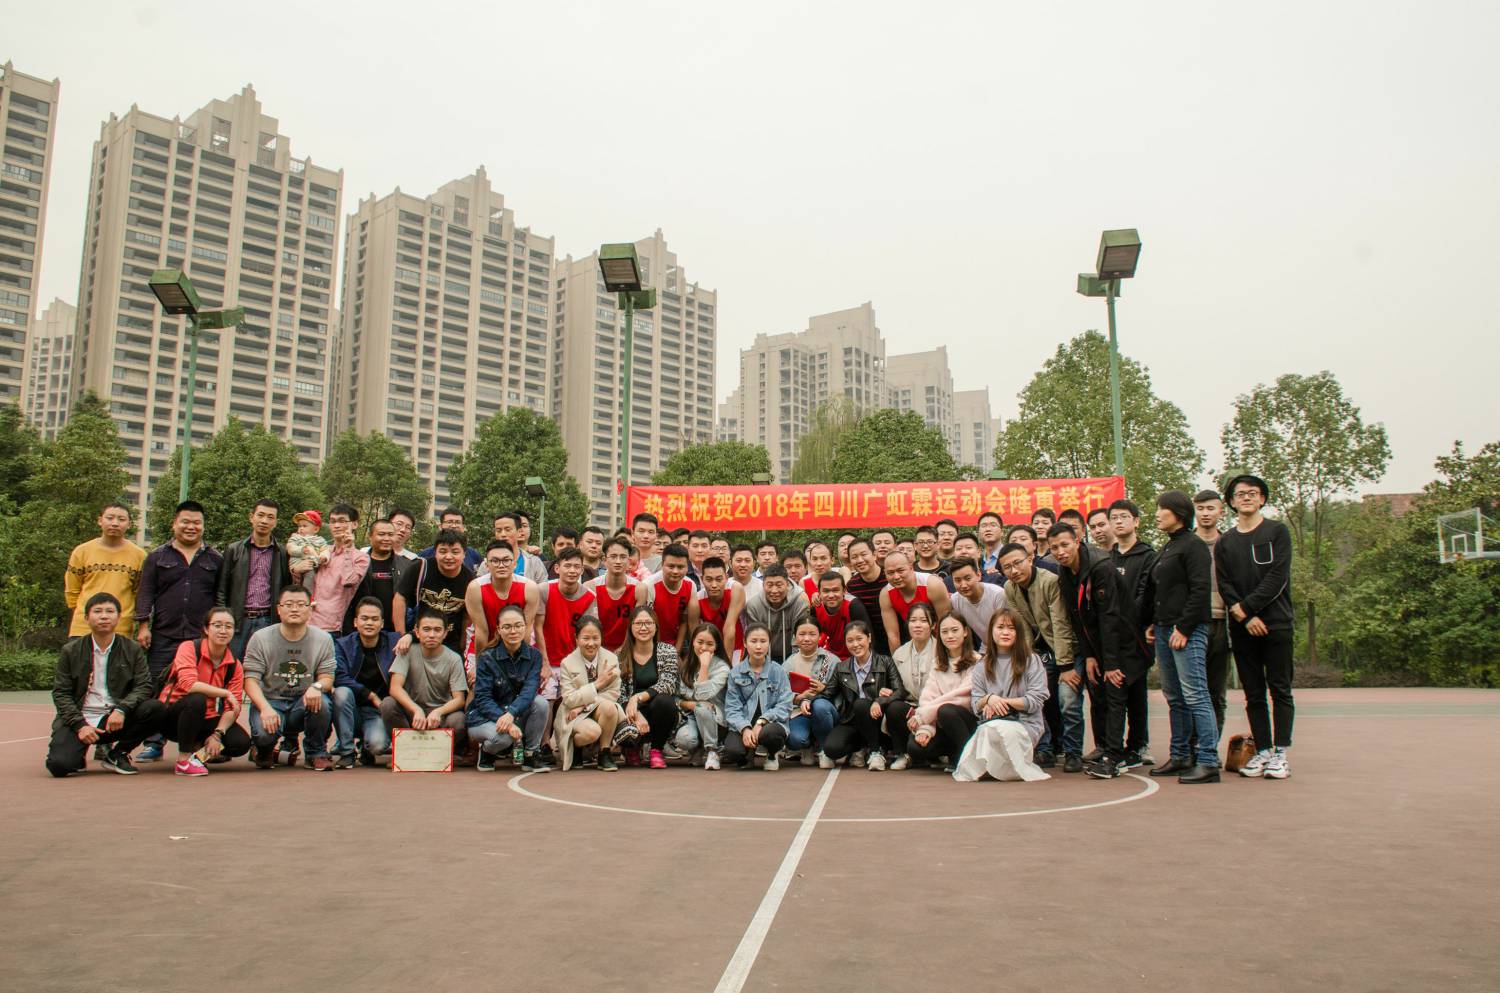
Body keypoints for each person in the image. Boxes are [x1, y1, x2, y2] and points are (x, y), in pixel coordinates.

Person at [1216, 473, 1295, 780]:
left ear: (1262, 498)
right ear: (1232, 502)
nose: (1246, 497)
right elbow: (1225, 583)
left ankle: (1280, 753)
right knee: (1253, 692)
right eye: (1240, 494)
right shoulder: (1225, 541)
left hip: (1276, 623)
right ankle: (1262, 750)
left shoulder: (1277, 532)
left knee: (1280, 689)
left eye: (1253, 492)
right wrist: (1245, 618)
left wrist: (1248, 609)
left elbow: (1277, 577)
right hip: (1242, 627)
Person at [1049, 525, 1142, 780]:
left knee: (1116, 695)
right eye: (1054, 547)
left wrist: (1111, 664)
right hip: (1097, 644)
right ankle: (1105, 748)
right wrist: (1089, 655)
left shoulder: (1101, 567)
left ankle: (1115, 757)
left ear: (1078, 541)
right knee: (1099, 694)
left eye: (1065, 545)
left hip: (1123, 642)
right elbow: (1077, 619)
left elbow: (1110, 617)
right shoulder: (1065, 572)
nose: (1060, 552)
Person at [134, 500, 222, 761]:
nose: (191, 527)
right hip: (164, 635)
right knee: (156, 688)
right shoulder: (157, 557)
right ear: (174, 524)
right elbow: (146, 592)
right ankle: (154, 742)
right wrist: (143, 625)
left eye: (197, 522)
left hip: (198, 639)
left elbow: (220, 598)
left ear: (203, 526)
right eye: (185, 521)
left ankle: (196, 741)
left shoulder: (215, 559)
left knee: (200, 692)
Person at [1142, 490, 1219, 784]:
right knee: (1174, 697)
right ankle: (1180, 755)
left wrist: (1184, 628)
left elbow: (1200, 590)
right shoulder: (1169, 547)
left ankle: (1208, 761)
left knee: (1196, 694)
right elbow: (1160, 591)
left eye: (1161, 509)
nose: (1157, 514)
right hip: (1164, 628)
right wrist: (1153, 622)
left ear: (1178, 512)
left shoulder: (1194, 546)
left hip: (1186, 631)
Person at [46, 592, 163, 777]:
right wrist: (80, 725)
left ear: (118, 617)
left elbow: (144, 686)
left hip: (115, 719)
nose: (104, 616)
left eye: (110, 611)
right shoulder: (71, 650)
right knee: (59, 766)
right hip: (80, 719)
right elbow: (61, 693)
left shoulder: (132, 649)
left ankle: (118, 754)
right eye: (98, 611)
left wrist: (122, 709)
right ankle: (78, 752)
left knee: (155, 708)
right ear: (86, 617)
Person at [999, 542, 1083, 773]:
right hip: (1040, 652)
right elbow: (1022, 627)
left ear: (1030, 558)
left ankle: (1073, 752)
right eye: (1007, 567)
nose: (1014, 570)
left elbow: (1060, 624)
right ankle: (1046, 748)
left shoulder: (1050, 581)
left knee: (1068, 699)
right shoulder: (1009, 587)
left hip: (1069, 650)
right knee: (1037, 698)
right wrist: (1027, 660)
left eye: (1017, 563)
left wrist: (1065, 665)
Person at [243, 585, 337, 771]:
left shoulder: (323, 639)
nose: (295, 609)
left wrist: (316, 687)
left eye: (301, 604)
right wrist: (265, 708)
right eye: (289, 604)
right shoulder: (260, 638)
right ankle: (263, 750)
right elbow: (250, 680)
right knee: (264, 735)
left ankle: (316, 753)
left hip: (302, 702)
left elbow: (327, 678)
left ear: (310, 609)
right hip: (271, 701)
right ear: (279, 609)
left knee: (323, 703)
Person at [953, 609, 1050, 782]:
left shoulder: (1031, 660)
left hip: (1025, 723)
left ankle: (1005, 768)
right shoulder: (982, 665)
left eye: (1011, 628)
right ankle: (995, 768)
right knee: (988, 730)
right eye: (1000, 627)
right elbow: (976, 705)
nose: (1005, 632)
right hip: (992, 722)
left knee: (992, 729)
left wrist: (1001, 702)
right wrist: (988, 699)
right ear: (991, 630)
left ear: (1018, 633)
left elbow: (1035, 700)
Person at [153, 606, 250, 776]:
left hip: (205, 718)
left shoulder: (234, 665)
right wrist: (224, 693)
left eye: (228, 626)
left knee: (240, 742)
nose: (223, 631)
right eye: (217, 625)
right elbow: (188, 684)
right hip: (174, 717)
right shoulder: (189, 648)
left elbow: (233, 707)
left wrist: (217, 735)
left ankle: (198, 757)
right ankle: (183, 761)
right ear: (206, 629)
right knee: (197, 699)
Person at [468, 604, 552, 772]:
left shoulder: (534, 656)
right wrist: (505, 719)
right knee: (503, 738)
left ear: (525, 627)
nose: (513, 631)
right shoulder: (487, 657)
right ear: (498, 630)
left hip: (513, 713)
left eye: (518, 625)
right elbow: (483, 699)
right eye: (507, 627)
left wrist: (511, 713)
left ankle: (531, 754)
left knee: (541, 703)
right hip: (485, 717)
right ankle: (487, 751)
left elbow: (529, 691)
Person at [814, 620, 907, 770]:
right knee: (832, 749)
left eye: (859, 639)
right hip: (852, 721)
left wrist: (880, 701)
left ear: (869, 638)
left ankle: (876, 752)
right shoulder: (841, 667)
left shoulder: (885, 662)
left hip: (877, 721)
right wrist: (807, 700)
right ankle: (860, 747)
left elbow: (900, 691)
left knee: (861, 704)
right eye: (850, 641)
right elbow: (827, 693)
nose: (855, 644)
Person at [1107, 499, 1156, 768]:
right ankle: (1112, 747)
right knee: (1114, 693)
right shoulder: (1107, 558)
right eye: (1114, 517)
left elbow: (1146, 594)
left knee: (1137, 692)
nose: (1118, 521)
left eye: (1124, 516)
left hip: (1138, 636)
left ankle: (1138, 745)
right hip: (1112, 637)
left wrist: (1131, 621)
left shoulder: (1148, 555)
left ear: (1136, 521)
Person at [216, 499, 292, 659]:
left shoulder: (282, 553)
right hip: (238, 620)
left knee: (264, 665)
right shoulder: (234, 549)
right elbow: (222, 589)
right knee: (232, 665)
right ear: (251, 517)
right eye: (260, 515)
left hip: (268, 620)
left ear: (275, 522)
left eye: (270, 517)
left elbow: (286, 588)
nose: (264, 521)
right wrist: (224, 620)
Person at [905, 613, 981, 770]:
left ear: (965, 632)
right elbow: (928, 697)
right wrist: (926, 728)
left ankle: (967, 760)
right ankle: (953, 752)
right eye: (944, 632)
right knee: (915, 748)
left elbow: (962, 698)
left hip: (969, 723)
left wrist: (923, 715)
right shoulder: (938, 663)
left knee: (947, 711)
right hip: (943, 723)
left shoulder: (977, 661)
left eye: (955, 630)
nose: (950, 636)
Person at [333, 597, 402, 767]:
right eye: (364, 618)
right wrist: (370, 695)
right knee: (341, 693)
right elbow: (339, 676)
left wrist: (408, 637)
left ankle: (366, 746)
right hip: (352, 708)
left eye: (374, 619)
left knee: (378, 746)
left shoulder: (394, 642)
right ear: (355, 622)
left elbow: (420, 636)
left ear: (382, 623)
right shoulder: (343, 645)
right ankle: (347, 751)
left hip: (377, 712)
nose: (369, 623)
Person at [65, 502, 146, 639]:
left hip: (120, 629)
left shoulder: (140, 555)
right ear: (100, 521)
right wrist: (87, 616)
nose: (115, 523)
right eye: (110, 518)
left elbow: (140, 593)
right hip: (83, 629)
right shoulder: (82, 551)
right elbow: (72, 591)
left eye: (121, 519)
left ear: (129, 524)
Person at [554, 617, 623, 771]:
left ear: (601, 638)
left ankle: (604, 753)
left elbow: (613, 693)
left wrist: (584, 706)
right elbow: (569, 698)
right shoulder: (567, 663)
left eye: (595, 638)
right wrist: (598, 684)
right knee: (592, 732)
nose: (591, 643)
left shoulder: (611, 659)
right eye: (585, 638)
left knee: (610, 707)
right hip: (573, 714)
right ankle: (576, 748)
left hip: (590, 709)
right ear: (576, 638)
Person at [722, 624, 794, 770]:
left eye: (763, 641)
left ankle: (772, 754)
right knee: (732, 751)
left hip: (771, 724)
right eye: (753, 641)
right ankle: (747, 754)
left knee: (771, 735)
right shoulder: (735, 673)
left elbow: (785, 705)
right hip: (745, 722)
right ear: (744, 643)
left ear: (769, 643)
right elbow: (732, 709)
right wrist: (744, 728)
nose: (758, 646)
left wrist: (762, 721)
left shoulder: (778, 671)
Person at [616, 606, 681, 768]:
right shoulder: (620, 655)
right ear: (631, 627)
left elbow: (668, 684)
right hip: (630, 711)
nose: (643, 628)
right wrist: (635, 712)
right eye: (638, 623)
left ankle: (656, 750)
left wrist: (637, 698)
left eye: (648, 623)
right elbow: (618, 694)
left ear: (656, 626)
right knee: (617, 706)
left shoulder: (668, 651)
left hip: (656, 710)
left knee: (665, 701)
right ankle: (632, 748)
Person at [1193, 489, 1232, 735]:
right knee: (1191, 692)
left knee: (1216, 691)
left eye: (1210, 508)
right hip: (1192, 624)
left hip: (1222, 624)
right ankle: (1190, 747)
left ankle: (1210, 745)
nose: (1205, 513)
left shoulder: (1230, 543)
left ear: (1221, 511)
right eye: (1200, 509)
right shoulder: (1186, 544)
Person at [884, 601, 936, 769]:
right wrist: (887, 691)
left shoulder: (942, 651)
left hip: (933, 708)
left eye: (923, 620)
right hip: (910, 707)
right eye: (913, 620)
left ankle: (940, 753)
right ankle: (901, 754)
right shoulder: (899, 653)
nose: (917, 625)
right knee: (894, 707)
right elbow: (895, 687)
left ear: (933, 625)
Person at [466, 542, 541, 654]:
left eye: (506, 560)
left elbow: (526, 630)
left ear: (514, 564)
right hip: (483, 644)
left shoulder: (529, 588)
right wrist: (481, 662)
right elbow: (481, 631)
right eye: (495, 561)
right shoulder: (475, 588)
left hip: (517, 644)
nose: (501, 565)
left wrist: (518, 659)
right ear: (486, 565)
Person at [673, 623, 731, 768]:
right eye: (700, 642)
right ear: (693, 642)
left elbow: (702, 695)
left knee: (702, 707)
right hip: (692, 716)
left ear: (716, 646)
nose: (704, 648)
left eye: (710, 644)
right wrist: (689, 704)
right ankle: (697, 749)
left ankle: (713, 750)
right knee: (684, 739)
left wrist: (704, 666)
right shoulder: (685, 666)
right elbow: (675, 698)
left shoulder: (722, 668)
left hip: (716, 719)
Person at [306, 504, 369, 634]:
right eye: (333, 521)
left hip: (330, 627)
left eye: (342, 521)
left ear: (354, 524)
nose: (336, 526)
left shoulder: (360, 557)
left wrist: (347, 550)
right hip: (305, 622)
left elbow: (349, 581)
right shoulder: (322, 551)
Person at [785, 617, 840, 761]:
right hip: (799, 712)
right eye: (802, 634)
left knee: (820, 706)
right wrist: (798, 699)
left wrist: (825, 689)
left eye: (812, 634)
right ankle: (807, 746)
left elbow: (842, 693)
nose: (807, 639)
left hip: (825, 711)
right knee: (795, 740)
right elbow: (781, 696)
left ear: (820, 636)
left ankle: (824, 749)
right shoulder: (788, 664)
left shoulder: (831, 661)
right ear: (795, 637)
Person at [414, 530, 475, 656]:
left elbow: (468, 617)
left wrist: (463, 645)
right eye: (443, 551)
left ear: (464, 554)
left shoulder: (470, 580)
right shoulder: (421, 567)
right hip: (419, 637)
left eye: (455, 552)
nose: (448, 557)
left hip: (452, 641)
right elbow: (400, 598)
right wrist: (401, 634)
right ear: (435, 552)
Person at [878, 551, 952, 653]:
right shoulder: (886, 594)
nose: (896, 577)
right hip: (916, 641)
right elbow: (893, 636)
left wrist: (944, 655)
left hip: (942, 638)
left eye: (900, 570)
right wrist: (897, 660)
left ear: (911, 567)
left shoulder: (932, 584)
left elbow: (947, 625)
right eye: (890, 573)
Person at [585, 537, 645, 652]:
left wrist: (624, 649)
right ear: (604, 560)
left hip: (628, 649)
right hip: (596, 649)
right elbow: (589, 625)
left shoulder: (639, 589)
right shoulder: (590, 587)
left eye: (623, 557)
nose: (618, 561)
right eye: (613, 556)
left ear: (629, 561)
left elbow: (637, 626)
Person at [740, 564, 810, 664]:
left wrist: (794, 664)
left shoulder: (800, 602)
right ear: (763, 585)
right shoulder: (754, 605)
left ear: (787, 584)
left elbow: (799, 636)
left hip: (793, 654)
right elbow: (755, 638)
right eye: (769, 585)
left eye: (779, 585)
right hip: (763, 655)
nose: (774, 591)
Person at [688, 555, 743, 659]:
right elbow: (695, 637)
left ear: (726, 578)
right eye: (709, 579)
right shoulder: (696, 601)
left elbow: (729, 628)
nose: (714, 585)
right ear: (702, 579)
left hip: (735, 646)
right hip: (707, 648)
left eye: (719, 579)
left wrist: (726, 663)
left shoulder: (735, 589)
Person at [947, 557, 1008, 647]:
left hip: (1006, 644)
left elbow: (1005, 629)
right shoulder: (955, 600)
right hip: (986, 646)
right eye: (958, 580)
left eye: (968, 578)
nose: (963, 585)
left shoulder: (997, 594)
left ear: (978, 575)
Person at [645, 543, 695, 653]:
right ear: (662, 564)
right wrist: (661, 653)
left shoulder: (691, 585)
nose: (675, 571)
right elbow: (648, 623)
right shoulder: (649, 585)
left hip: (677, 644)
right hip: (651, 644)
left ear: (687, 567)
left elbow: (684, 621)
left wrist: (676, 652)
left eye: (680, 567)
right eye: (671, 566)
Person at [844, 538, 891, 655]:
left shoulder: (890, 577)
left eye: (864, 554)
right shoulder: (852, 586)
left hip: (896, 636)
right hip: (870, 643)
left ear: (874, 555)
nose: (860, 560)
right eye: (854, 557)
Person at [811, 571, 869, 661]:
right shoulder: (816, 608)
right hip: (830, 656)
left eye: (835, 590)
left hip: (855, 656)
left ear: (844, 591)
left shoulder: (854, 606)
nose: (831, 595)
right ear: (819, 592)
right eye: (826, 591)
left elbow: (867, 637)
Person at [418, 507, 484, 570]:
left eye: (458, 522)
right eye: (449, 522)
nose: (454, 526)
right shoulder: (425, 555)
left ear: (463, 527)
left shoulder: (474, 555)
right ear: (440, 526)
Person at [491, 512, 548, 584]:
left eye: (508, 530)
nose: (503, 534)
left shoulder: (534, 562)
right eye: (498, 531)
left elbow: (543, 588)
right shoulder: (487, 564)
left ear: (519, 532)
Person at [286, 510, 330, 588]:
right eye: (299, 526)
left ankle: (307, 593)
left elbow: (325, 550)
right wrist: (301, 550)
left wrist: (324, 556)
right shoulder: (295, 538)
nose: (301, 528)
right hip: (296, 564)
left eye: (304, 526)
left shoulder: (320, 540)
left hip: (311, 566)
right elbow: (290, 548)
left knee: (310, 576)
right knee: (295, 584)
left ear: (316, 529)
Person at [630, 512, 661, 580]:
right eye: (641, 531)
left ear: (656, 535)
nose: (646, 536)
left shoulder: (662, 562)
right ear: (632, 533)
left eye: (650, 532)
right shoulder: (623, 558)